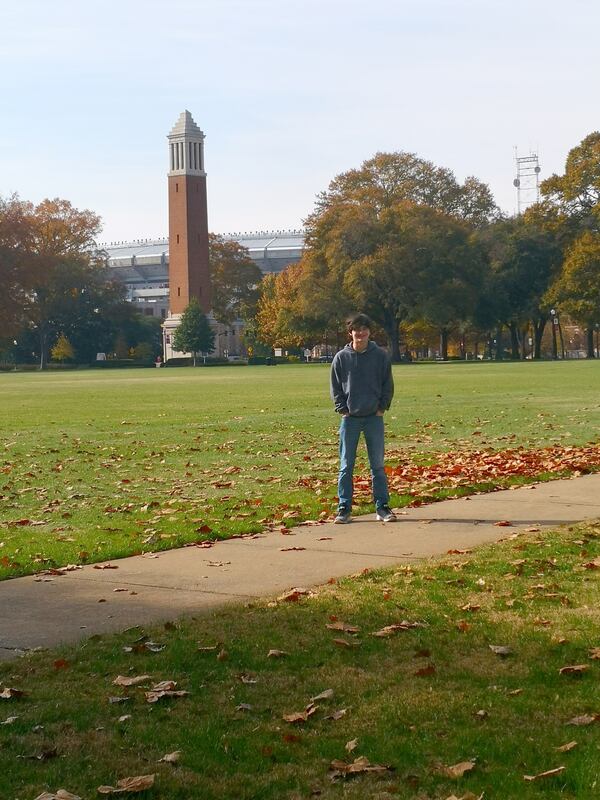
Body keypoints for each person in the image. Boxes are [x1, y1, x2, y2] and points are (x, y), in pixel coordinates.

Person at [330, 313, 396, 524]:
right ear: (350, 332)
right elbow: (336, 386)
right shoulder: (342, 357)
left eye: (364, 329)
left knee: (377, 464)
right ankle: (344, 507)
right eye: (356, 329)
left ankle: (382, 506)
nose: (361, 333)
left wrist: (382, 407)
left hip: (373, 417)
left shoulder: (380, 356)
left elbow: (388, 384)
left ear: (369, 332)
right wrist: (342, 409)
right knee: (346, 465)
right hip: (350, 418)